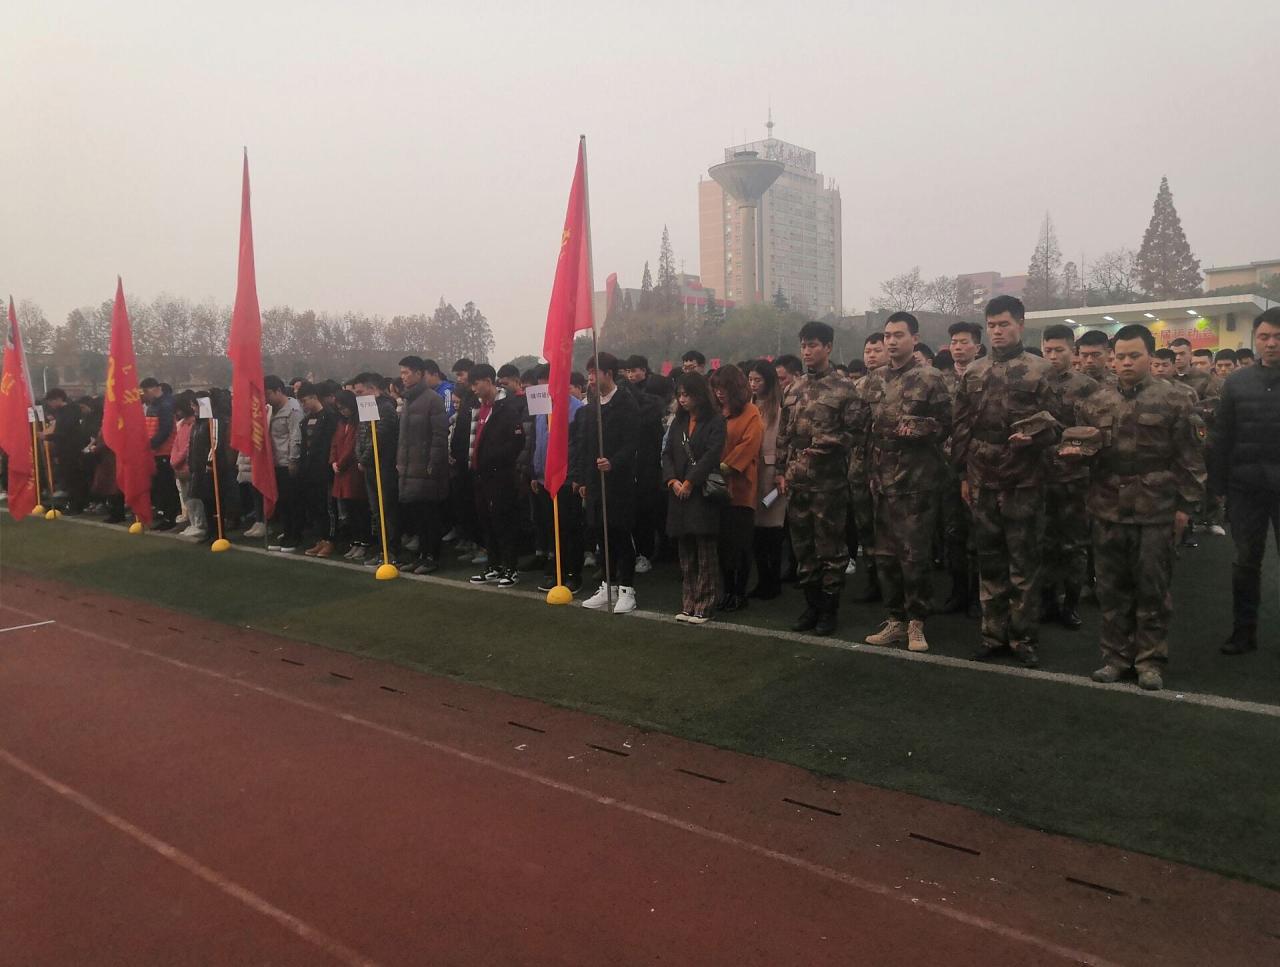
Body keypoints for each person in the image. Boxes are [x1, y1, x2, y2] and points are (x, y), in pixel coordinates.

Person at [1061, 324, 1206, 691]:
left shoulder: (1176, 400)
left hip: (1156, 507)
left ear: (1150, 356)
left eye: (1134, 355)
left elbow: (1190, 458)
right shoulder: (1096, 402)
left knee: (1152, 587)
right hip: (1107, 505)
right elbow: (1083, 451)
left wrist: (1186, 507)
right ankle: (1115, 657)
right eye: (1120, 356)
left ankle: (1150, 660)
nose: (1126, 362)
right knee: (1111, 587)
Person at [952, 295, 1063, 667]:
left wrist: (1036, 438)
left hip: (1024, 480)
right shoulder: (973, 372)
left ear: (1020, 325)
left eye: (1004, 324)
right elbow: (961, 427)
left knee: (1024, 564)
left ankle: (1023, 638)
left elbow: (1059, 425)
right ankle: (993, 634)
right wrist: (962, 475)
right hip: (982, 479)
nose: (997, 331)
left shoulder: (1041, 370)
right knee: (990, 561)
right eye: (992, 325)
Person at [860, 312, 952, 652]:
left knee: (914, 556)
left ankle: (917, 622)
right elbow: (865, 428)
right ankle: (895, 619)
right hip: (881, 481)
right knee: (885, 556)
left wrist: (918, 428)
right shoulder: (874, 379)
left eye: (899, 335)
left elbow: (947, 425)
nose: (891, 341)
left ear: (915, 338)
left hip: (916, 482)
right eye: (887, 335)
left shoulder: (930, 378)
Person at [776, 321, 859, 636]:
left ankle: (829, 610)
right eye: (803, 345)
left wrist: (828, 442)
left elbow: (856, 433)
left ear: (828, 347)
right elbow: (783, 435)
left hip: (829, 483)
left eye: (813, 345)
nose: (807, 351)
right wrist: (781, 471)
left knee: (830, 549)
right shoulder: (793, 389)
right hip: (797, 481)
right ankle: (811, 606)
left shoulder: (844, 389)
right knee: (803, 548)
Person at [1208, 307, 1280, 655]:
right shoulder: (1236, 382)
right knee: (1245, 562)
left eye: (1278, 337)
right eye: (1264, 336)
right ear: (1255, 339)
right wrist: (1218, 487)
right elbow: (1222, 436)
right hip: (1246, 487)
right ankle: (1243, 632)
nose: (1271, 343)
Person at [1039, 324, 1100, 629]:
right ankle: (1047, 601)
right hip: (1040, 475)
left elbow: (1098, 432)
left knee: (1074, 544)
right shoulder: (1034, 382)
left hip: (1076, 478)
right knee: (1044, 542)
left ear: (1072, 351)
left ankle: (1071, 604)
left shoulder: (1088, 387)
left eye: (1059, 350)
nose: (1053, 356)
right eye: (1048, 350)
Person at [573, 352, 641, 613]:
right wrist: (582, 478)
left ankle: (627, 589)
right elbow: (585, 444)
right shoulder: (592, 406)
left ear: (608, 374)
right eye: (589, 373)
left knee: (619, 533)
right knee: (601, 535)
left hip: (619, 482)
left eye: (594, 373)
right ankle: (607, 585)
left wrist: (614, 462)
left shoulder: (625, 402)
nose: (590, 378)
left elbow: (632, 441)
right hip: (595, 482)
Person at [661, 372, 727, 624]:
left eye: (687, 395)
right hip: (678, 493)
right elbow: (666, 453)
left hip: (702, 492)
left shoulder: (715, 421)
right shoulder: (677, 422)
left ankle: (705, 604)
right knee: (686, 551)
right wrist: (672, 480)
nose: (683, 399)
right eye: (680, 395)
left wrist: (690, 481)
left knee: (705, 551)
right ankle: (688, 602)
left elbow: (712, 455)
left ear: (699, 395)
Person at [938, 321, 984, 614]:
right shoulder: (939, 380)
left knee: (978, 533)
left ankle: (978, 594)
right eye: (954, 342)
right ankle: (958, 591)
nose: (958, 347)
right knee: (952, 531)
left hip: (978, 467)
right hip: (946, 468)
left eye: (964, 342)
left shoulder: (987, 377)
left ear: (977, 347)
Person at [710, 365, 763, 612]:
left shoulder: (751, 412)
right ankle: (727, 589)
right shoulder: (715, 412)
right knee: (722, 545)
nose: (720, 393)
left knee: (739, 544)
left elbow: (749, 445)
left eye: (724, 388)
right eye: (716, 388)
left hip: (740, 487)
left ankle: (739, 592)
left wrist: (724, 466)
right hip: (715, 488)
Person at [467, 364, 525, 587]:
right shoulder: (477, 407)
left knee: (504, 521)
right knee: (486, 521)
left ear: (488, 381)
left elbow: (517, 441)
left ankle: (511, 568)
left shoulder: (507, 406)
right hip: (479, 474)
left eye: (476, 383)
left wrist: (494, 459)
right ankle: (494, 565)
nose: (473, 389)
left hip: (501, 475)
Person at [530, 364, 585, 594]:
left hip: (566, 479)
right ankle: (556, 570)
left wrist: (576, 476)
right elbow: (536, 440)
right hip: (544, 479)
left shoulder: (576, 409)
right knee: (551, 528)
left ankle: (573, 574)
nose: (544, 388)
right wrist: (534, 473)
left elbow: (580, 446)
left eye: (547, 383)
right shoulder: (541, 407)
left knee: (569, 529)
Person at [396, 356, 450, 575]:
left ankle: (431, 557)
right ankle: (421, 555)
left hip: (427, 469)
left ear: (419, 373)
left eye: (406, 372)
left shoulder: (433, 399)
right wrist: (400, 462)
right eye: (401, 373)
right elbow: (403, 438)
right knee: (417, 515)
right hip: (409, 468)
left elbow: (440, 434)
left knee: (430, 516)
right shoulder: (408, 400)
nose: (403, 377)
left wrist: (433, 463)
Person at [848, 333, 887, 603]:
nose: (871, 355)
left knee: (890, 530)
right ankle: (874, 581)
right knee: (866, 528)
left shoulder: (897, 384)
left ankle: (893, 584)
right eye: (868, 351)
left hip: (889, 470)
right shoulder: (857, 387)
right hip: (860, 468)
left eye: (876, 350)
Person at [747, 361, 787, 599]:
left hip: (772, 475)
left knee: (772, 530)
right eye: (750, 380)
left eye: (758, 380)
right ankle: (764, 579)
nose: (753, 384)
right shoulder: (748, 406)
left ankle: (773, 580)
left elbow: (784, 444)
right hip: (751, 473)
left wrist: (781, 472)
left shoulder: (779, 409)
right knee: (756, 531)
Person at [353, 372, 400, 566]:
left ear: (373, 389)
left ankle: (392, 551)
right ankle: (382, 549)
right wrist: (360, 457)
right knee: (376, 512)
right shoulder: (367, 407)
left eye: (360, 392)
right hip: (370, 467)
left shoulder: (386, 408)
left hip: (384, 467)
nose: (357, 396)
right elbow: (361, 434)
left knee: (387, 511)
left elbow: (379, 438)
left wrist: (364, 459)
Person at [264, 375, 304, 552]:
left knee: (292, 501)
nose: (266, 398)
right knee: (282, 501)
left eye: (268, 394)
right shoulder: (270, 410)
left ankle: (295, 535)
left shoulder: (293, 409)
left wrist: (293, 460)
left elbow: (296, 436)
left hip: (288, 463)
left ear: (278, 391)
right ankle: (287, 532)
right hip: (275, 462)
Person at [297, 382, 337, 556]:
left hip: (325, 469)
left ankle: (330, 540)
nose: (303, 405)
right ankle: (320, 539)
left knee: (327, 507)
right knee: (315, 506)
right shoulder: (306, 420)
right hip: (309, 469)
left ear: (314, 397)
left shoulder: (330, 417)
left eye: (304, 401)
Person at [331, 391, 370, 561]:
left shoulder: (359, 422)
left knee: (360, 509)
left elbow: (353, 446)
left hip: (354, 472)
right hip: (341, 473)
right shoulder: (341, 423)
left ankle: (364, 542)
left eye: (345, 407)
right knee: (349, 510)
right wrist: (333, 461)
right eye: (340, 409)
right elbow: (334, 443)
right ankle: (355, 541)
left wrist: (340, 463)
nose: (343, 411)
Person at [141, 377, 179, 528]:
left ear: (152, 389)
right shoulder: (154, 405)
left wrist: (151, 445)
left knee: (166, 485)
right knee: (159, 485)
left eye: (145, 392)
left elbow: (165, 430)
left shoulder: (165, 405)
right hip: (155, 451)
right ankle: (164, 512)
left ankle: (170, 516)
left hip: (164, 451)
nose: (144, 395)